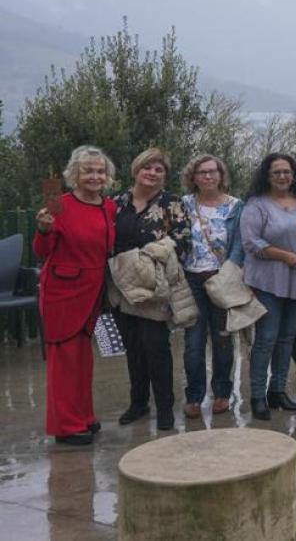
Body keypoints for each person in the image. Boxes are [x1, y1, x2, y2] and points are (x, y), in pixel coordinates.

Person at [34, 146, 118, 445]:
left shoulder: (108, 206)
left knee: (83, 359)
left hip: (92, 293)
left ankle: (83, 417)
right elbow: (42, 253)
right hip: (63, 292)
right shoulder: (58, 203)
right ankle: (66, 427)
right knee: (64, 361)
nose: (95, 176)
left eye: (100, 171)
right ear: (75, 174)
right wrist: (43, 230)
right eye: (88, 171)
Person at [113, 148, 191, 431]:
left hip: (154, 287)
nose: (153, 173)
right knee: (133, 347)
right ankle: (138, 402)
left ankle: (165, 407)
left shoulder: (171, 203)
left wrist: (152, 253)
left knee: (156, 347)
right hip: (121, 287)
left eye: (159, 170)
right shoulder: (117, 202)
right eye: (148, 168)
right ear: (136, 170)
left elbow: (183, 238)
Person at [242, 152, 296, 421]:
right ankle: (258, 395)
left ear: (293, 175)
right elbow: (251, 243)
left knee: (287, 338)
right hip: (268, 282)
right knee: (266, 339)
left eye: (287, 171)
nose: (283, 176)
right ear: (267, 175)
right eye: (277, 172)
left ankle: (278, 390)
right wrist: (285, 255)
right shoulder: (256, 205)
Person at [180, 154, 244, 419]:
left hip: (222, 279)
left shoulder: (235, 206)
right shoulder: (184, 204)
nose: (208, 176)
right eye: (202, 172)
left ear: (221, 175)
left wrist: (230, 271)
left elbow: (240, 243)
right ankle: (194, 397)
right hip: (191, 279)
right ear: (193, 178)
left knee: (222, 340)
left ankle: (221, 394)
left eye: (212, 172)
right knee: (193, 343)